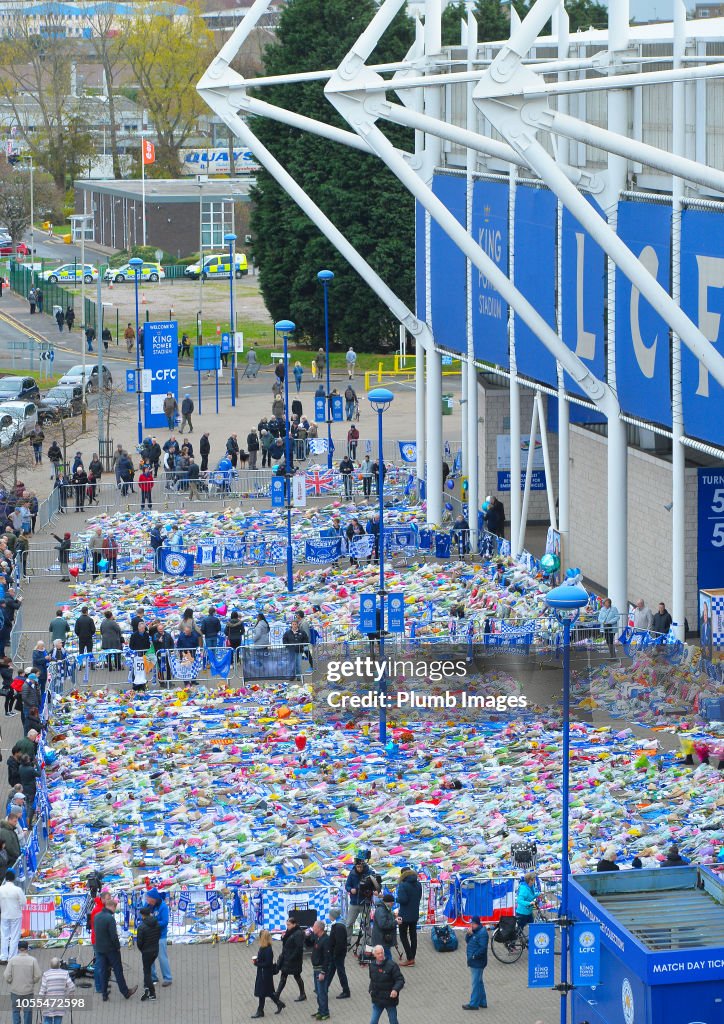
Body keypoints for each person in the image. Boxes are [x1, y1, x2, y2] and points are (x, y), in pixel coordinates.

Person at [94, 895, 137, 1000]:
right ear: (112, 907)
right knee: (118, 970)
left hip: (99, 948)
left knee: (103, 971)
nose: (115, 910)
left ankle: (104, 994)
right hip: (111, 949)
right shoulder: (110, 918)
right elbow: (113, 936)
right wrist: (117, 947)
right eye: (115, 908)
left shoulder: (97, 916)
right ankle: (125, 992)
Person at [4, 939, 40, 1024]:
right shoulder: (32, 960)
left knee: (16, 1011)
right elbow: (38, 975)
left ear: (18, 948)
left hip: (15, 990)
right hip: (28, 991)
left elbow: (6, 975)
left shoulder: (12, 960)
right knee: (28, 1012)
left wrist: (11, 982)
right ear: (27, 948)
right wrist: (32, 982)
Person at [368, 944, 404, 1024]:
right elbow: (372, 980)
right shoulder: (372, 965)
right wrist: (370, 990)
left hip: (390, 1000)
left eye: (382, 953)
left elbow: (400, 980)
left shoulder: (392, 965)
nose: (380, 955)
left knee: (393, 1021)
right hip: (377, 999)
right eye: (378, 953)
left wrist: (395, 990)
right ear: (374, 955)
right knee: (373, 1022)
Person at [252, 929, 284, 1018]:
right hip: (263, 973)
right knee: (268, 991)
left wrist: (257, 963)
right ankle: (279, 1004)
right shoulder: (264, 947)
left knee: (262, 993)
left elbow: (268, 963)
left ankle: (260, 1011)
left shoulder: (268, 949)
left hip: (265, 974)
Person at [275, 915, 306, 1004]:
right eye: (287, 924)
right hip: (287, 957)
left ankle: (303, 994)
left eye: (288, 925)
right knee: (284, 975)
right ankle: (277, 994)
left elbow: (299, 948)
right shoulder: (290, 931)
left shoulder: (298, 933)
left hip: (293, 959)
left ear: (294, 924)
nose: (287, 926)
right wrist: (282, 937)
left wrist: (292, 957)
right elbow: (287, 942)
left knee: (296, 976)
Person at [396, 868, 422, 966]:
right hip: (415, 913)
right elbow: (419, 897)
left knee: (403, 936)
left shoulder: (403, 885)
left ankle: (410, 958)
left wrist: (396, 899)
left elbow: (403, 900)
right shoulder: (418, 884)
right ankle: (412, 957)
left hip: (404, 915)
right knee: (413, 935)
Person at [463, 915, 488, 1011]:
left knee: (475, 983)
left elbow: (483, 948)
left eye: (472, 924)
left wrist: (474, 956)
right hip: (474, 961)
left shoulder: (482, 933)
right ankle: (482, 1002)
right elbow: (468, 941)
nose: (470, 925)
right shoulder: (475, 932)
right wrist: (468, 934)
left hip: (477, 962)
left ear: (476, 924)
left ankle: (473, 1004)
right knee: (479, 982)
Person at [0, 870, 26, 964]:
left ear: (5, 878)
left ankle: (3, 957)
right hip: (15, 914)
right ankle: (12, 957)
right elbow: (23, 902)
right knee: (14, 936)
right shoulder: (17, 890)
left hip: (4, 915)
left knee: (4, 936)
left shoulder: (1, 889)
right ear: (14, 878)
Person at [307, 920, 331, 1022]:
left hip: (321, 970)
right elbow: (308, 944)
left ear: (319, 928)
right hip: (316, 969)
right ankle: (320, 1010)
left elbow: (327, 958)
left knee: (322, 992)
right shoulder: (317, 937)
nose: (313, 928)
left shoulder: (326, 940)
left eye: (314, 926)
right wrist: (307, 936)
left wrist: (323, 972)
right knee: (318, 991)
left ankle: (325, 1013)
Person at [345, 858, 377, 932]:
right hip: (354, 903)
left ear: (364, 866)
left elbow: (375, 886)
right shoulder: (352, 873)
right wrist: (350, 889)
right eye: (357, 867)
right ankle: (347, 942)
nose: (359, 869)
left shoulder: (370, 873)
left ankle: (367, 942)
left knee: (366, 924)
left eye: (361, 867)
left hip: (365, 903)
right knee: (349, 923)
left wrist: (375, 890)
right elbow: (347, 886)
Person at [136, 904, 160, 1002]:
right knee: (149, 968)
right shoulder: (156, 923)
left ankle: (152, 993)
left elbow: (139, 943)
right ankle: (147, 985)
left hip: (146, 952)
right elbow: (158, 936)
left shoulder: (141, 927)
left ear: (142, 915)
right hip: (155, 950)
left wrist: (142, 949)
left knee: (147, 972)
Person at [326, 907, 350, 999]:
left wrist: (335, 953)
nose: (328, 916)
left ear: (333, 916)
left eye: (330, 915)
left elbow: (339, 943)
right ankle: (325, 987)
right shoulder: (338, 923)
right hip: (336, 953)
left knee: (340, 972)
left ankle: (346, 991)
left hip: (338, 954)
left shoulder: (339, 926)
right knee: (331, 970)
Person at [371, 893, 397, 961]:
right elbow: (383, 924)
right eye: (392, 903)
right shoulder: (381, 910)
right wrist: (395, 922)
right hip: (382, 938)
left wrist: (394, 917)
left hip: (384, 938)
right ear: (388, 903)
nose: (392, 905)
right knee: (387, 958)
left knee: (386, 957)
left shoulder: (384, 908)